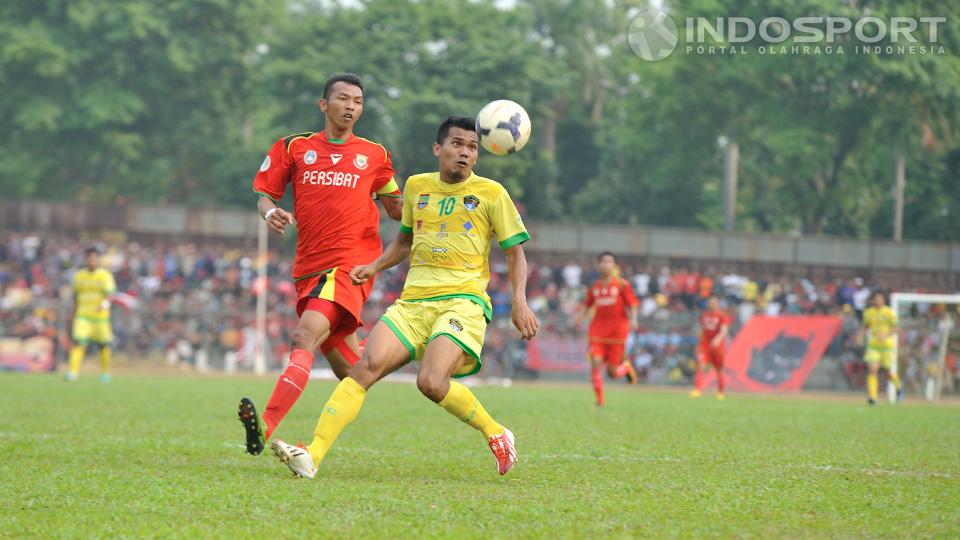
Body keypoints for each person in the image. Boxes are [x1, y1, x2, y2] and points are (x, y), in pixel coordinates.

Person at [269, 115, 538, 479]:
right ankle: (312, 455)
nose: (465, 153)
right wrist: (375, 266)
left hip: (462, 301)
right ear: (438, 148)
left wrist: (519, 302)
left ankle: (496, 432)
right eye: (457, 144)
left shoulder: (492, 193)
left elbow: (515, 252)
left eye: (472, 147)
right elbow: (405, 242)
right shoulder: (416, 187)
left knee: (430, 382)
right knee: (363, 370)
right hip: (413, 303)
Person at [237, 73, 403, 455]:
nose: (351, 106)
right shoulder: (294, 147)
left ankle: (264, 426)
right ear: (324, 105)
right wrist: (269, 214)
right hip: (308, 269)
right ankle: (432, 366)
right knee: (356, 372)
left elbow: (396, 208)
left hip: (350, 267)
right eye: (343, 99)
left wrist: (422, 202)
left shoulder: (374, 155)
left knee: (303, 338)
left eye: (358, 101)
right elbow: (264, 195)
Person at [575, 252, 639, 407]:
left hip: (617, 333)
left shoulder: (623, 285)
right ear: (598, 265)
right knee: (595, 362)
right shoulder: (594, 286)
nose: (606, 265)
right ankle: (600, 401)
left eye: (609, 262)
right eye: (603, 262)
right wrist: (580, 318)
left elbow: (633, 304)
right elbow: (588, 305)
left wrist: (634, 319)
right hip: (597, 331)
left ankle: (626, 368)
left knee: (612, 372)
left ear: (615, 266)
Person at [66, 247, 116, 382]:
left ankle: (105, 373)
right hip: (83, 316)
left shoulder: (105, 275)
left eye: (95, 258)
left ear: (98, 260)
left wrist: (105, 304)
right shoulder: (79, 276)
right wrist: (72, 313)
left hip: (100, 318)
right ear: (86, 259)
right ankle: (72, 373)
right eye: (90, 258)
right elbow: (76, 297)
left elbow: (111, 294)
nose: (93, 261)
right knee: (78, 343)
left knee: (104, 345)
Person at [860, 291, 903, 405]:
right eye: (876, 299)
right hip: (873, 346)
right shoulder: (868, 312)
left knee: (887, 372)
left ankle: (898, 387)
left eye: (880, 299)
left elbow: (896, 328)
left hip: (887, 346)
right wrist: (860, 336)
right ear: (873, 301)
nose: (878, 301)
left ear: (883, 300)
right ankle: (873, 397)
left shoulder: (889, 312)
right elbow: (865, 326)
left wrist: (887, 334)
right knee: (872, 370)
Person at [690, 296, 730, 400]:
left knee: (719, 369)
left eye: (713, 302)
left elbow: (724, 330)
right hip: (705, 345)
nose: (711, 304)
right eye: (710, 302)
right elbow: (702, 329)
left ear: (717, 304)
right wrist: (699, 341)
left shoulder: (722, 315)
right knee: (701, 365)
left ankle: (720, 392)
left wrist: (718, 339)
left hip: (717, 346)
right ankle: (697, 389)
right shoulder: (704, 315)